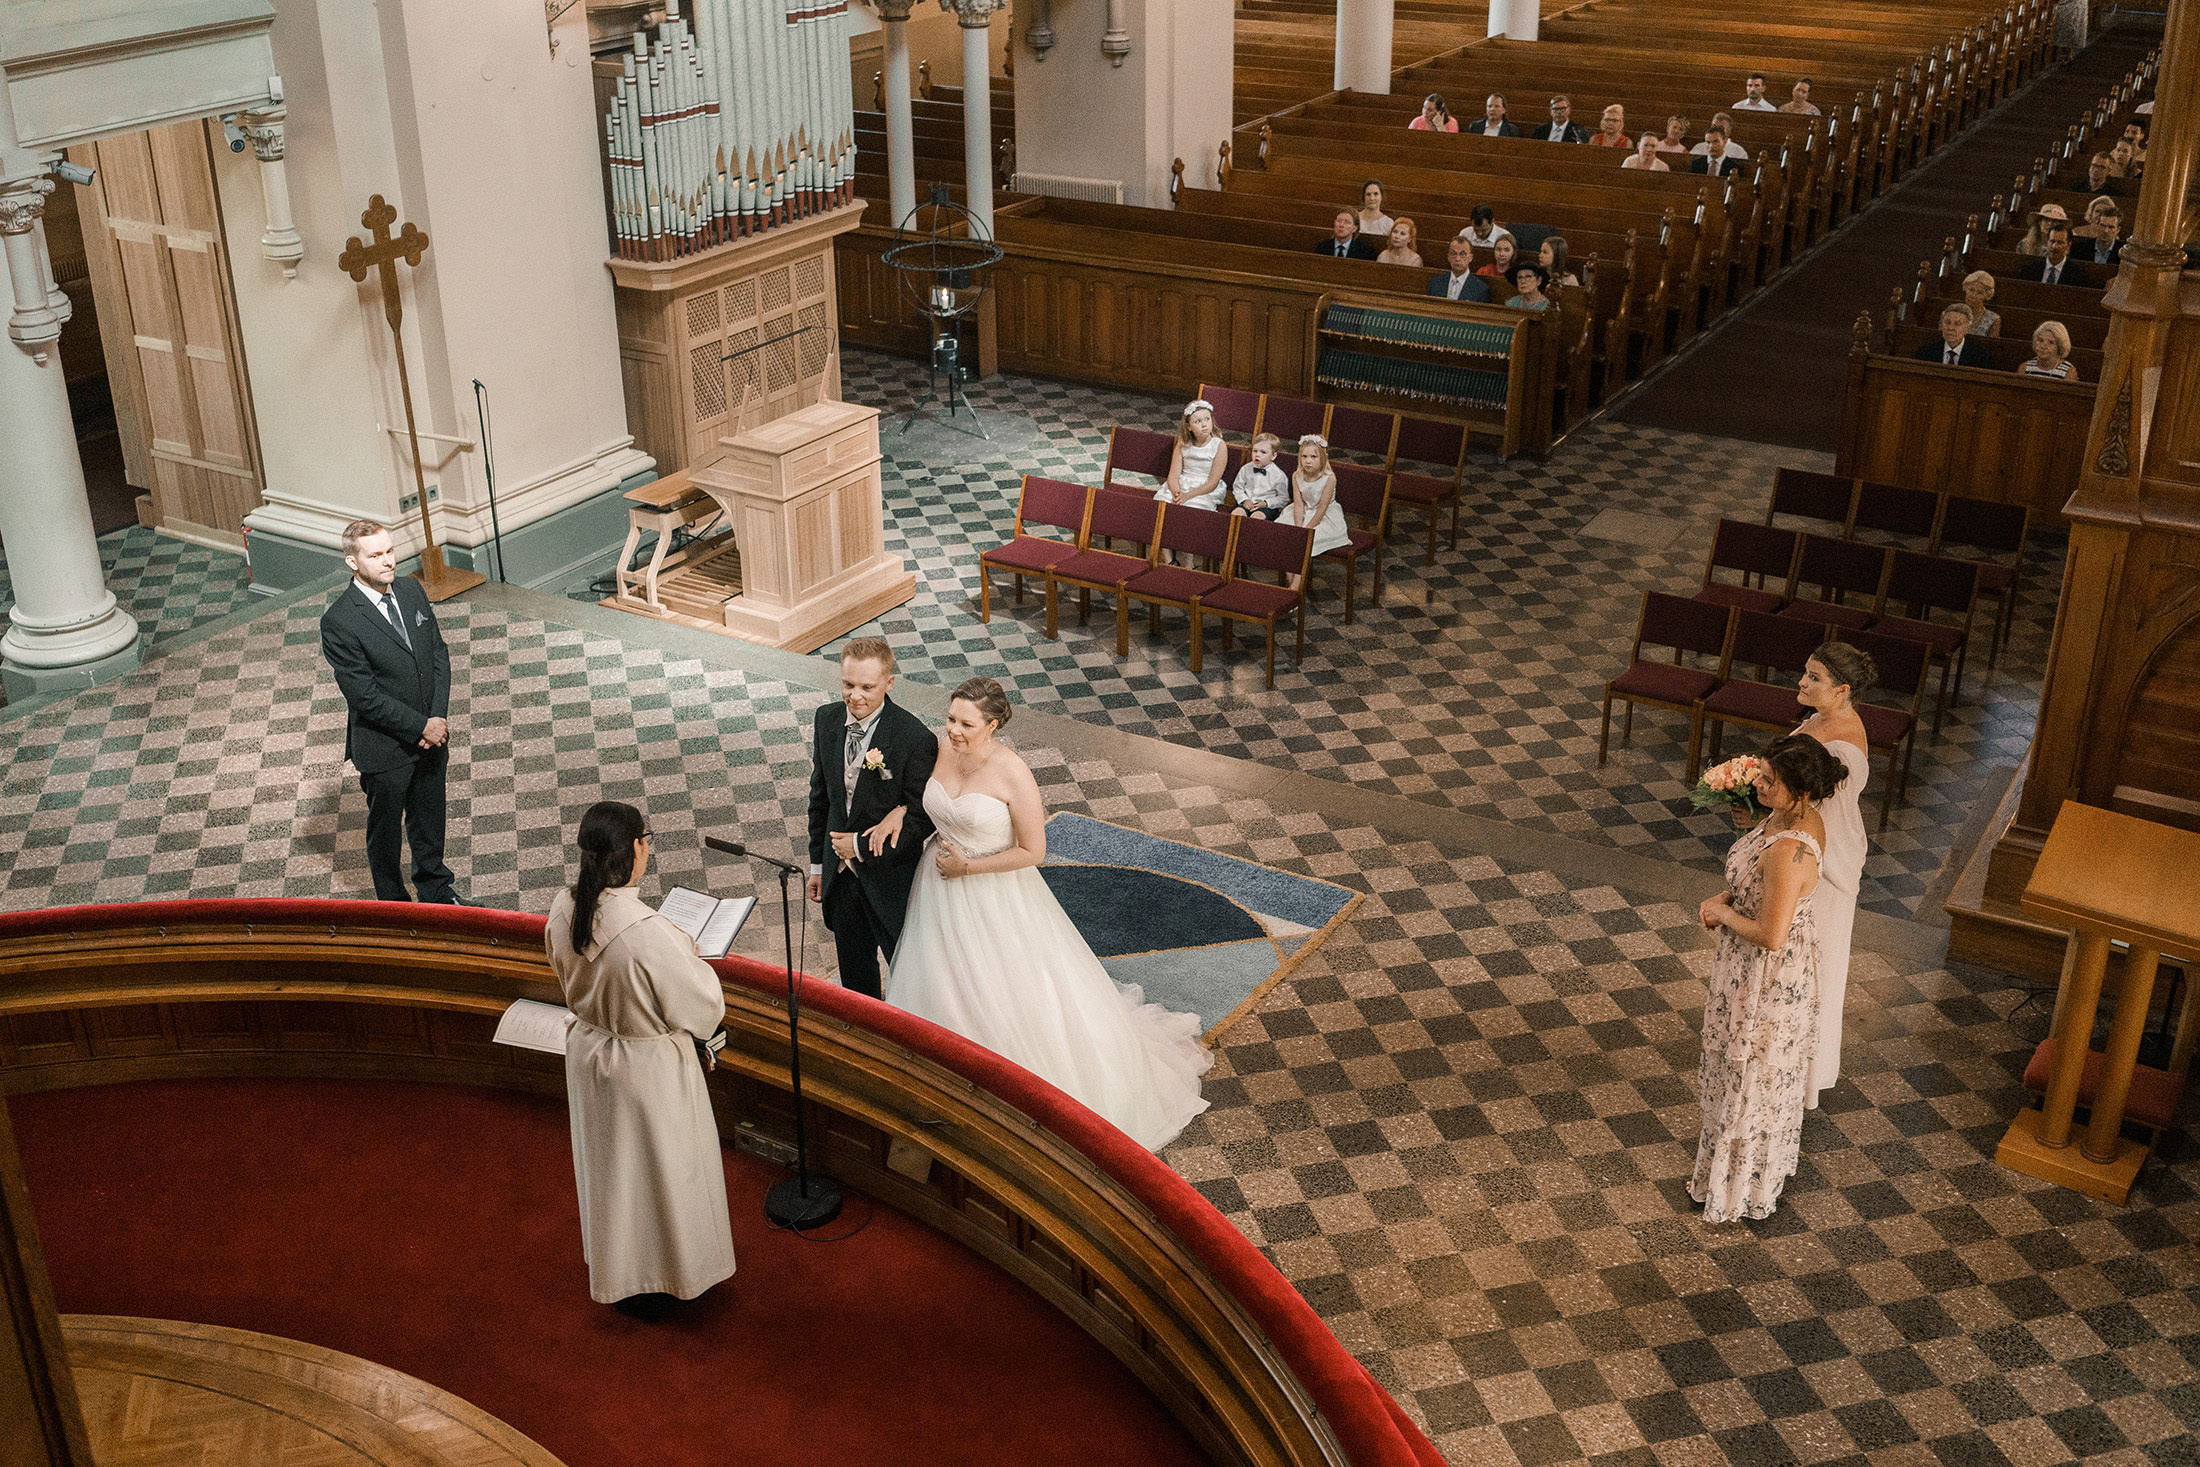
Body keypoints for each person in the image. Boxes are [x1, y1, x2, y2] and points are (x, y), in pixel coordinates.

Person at [886, 679, 1212, 1152]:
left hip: (993, 890)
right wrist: (899, 811)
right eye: (951, 719)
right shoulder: (938, 750)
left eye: (966, 724)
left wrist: (969, 867)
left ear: (993, 725)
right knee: (939, 977)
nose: (953, 731)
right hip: (937, 887)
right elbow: (915, 796)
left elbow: (1034, 851)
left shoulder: (1013, 772)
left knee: (1009, 988)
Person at [547, 801, 736, 1319]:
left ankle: (622, 1271)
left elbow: (565, 974)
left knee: (613, 1172)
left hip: (591, 1053)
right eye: (646, 839)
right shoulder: (648, 932)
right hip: (647, 1068)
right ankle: (672, 1277)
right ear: (635, 849)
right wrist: (689, 955)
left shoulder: (564, 907)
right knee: (666, 1172)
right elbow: (703, 1008)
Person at [1690, 735, 1846, 1223]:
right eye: (1759, 774)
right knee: (1739, 1071)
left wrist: (1722, 913)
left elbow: (1772, 934)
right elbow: (1749, 883)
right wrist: (1727, 897)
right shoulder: (1785, 817)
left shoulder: (1790, 849)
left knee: (1749, 1076)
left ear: (1799, 790)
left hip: (1766, 977)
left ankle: (1736, 1190)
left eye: (1767, 780)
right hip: (1746, 965)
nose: (1757, 784)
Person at [320, 518, 464, 905]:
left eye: (390, 551)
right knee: (385, 833)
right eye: (375, 555)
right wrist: (421, 725)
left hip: (432, 736)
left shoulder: (411, 590)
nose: (388, 562)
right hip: (384, 747)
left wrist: (436, 719)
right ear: (352, 562)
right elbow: (364, 696)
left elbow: (437, 655)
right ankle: (395, 907)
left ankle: (436, 892)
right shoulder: (339, 621)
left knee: (429, 820)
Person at [807, 637, 938, 998]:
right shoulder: (826, 720)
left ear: (889, 683)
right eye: (848, 685)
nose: (855, 696)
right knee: (856, 983)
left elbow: (920, 821)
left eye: (867, 687)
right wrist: (819, 865)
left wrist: (861, 847)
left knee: (909, 976)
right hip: (841, 878)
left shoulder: (914, 738)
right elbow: (821, 798)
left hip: (891, 881)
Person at [1790, 646, 1874, 1110]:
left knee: (1812, 968)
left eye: (1814, 677)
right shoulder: (1817, 719)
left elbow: (1829, 815)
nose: (1802, 682)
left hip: (1822, 868)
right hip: (1797, 847)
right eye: (1805, 672)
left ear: (1843, 690)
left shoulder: (1845, 745)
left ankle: (1803, 1075)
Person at [1286, 435, 1349, 570]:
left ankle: (1297, 585)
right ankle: (1291, 582)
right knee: (1287, 535)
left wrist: (1306, 530)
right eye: (1304, 456)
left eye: (1313, 457)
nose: (1308, 461)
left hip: (1323, 517)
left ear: (1322, 458)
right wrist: (1298, 527)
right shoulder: (1296, 476)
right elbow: (1298, 504)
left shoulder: (1329, 478)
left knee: (1306, 542)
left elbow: (1322, 509)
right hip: (1302, 512)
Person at [1212, 432, 1291, 517]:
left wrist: (1266, 503)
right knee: (1236, 513)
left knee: (1257, 516)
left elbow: (1283, 498)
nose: (1257, 455)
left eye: (1263, 452)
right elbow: (1238, 487)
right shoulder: (1245, 469)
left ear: (1273, 456)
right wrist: (1244, 500)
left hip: (1266, 507)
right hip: (1247, 503)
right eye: (1255, 451)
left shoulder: (1278, 475)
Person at [1162, 399, 1225, 505]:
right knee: (1166, 502)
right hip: (1181, 485)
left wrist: (1188, 496)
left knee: (1194, 506)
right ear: (1189, 427)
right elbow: (1173, 476)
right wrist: (1178, 494)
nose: (1204, 424)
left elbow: (1213, 482)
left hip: (1204, 489)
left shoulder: (1219, 445)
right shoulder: (1183, 444)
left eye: (1207, 419)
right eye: (1198, 421)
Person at [2018, 223, 2092, 287]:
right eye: (2052, 241)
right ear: (2047, 242)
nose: (2054, 247)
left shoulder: (2078, 275)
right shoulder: (2030, 270)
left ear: (2068, 245)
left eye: (2060, 243)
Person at [1915, 303, 1989, 366]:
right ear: (1941, 325)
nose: (1950, 328)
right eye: (1947, 322)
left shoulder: (1980, 357)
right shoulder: (1925, 353)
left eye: (1957, 324)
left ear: (1967, 328)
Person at [1428, 235, 1493, 301]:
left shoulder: (1481, 289)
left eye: (1462, 254)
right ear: (1448, 257)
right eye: (1453, 253)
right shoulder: (1435, 283)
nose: (1457, 258)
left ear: (1470, 258)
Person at [1314, 210, 1381, 259]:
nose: (1341, 225)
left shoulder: (1365, 251)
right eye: (1339, 221)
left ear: (1354, 229)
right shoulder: (1322, 247)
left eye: (1347, 222)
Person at [1960, 270, 2000, 337]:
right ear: (1965, 289)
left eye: (1980, 293)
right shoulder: (1950, 312)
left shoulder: (1993, 319)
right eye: (1971, 290)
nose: (1973, 296)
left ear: (1987, 296)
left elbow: (1991, 345)